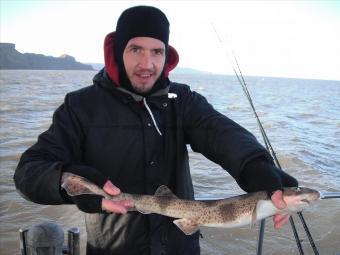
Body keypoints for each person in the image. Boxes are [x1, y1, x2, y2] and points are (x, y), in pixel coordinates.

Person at [14, 5, 298, 255]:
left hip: (180, 246)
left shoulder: (183, 101)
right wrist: (67, 181)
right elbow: (29, 171)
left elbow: (220, 134)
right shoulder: (80, 106)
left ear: (167, 55)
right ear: (117, 50)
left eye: (157, 52)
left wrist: (256, 166)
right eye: (135, 49)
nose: (147, 64)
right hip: (113, 249)